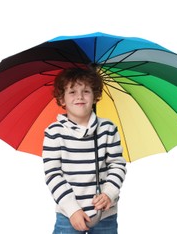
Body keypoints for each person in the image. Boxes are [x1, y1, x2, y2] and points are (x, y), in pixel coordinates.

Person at [42, 67, 126, 234]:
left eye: (86, 91)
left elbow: (117, 165)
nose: (80, 96)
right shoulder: (54, 132)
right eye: (72, 91)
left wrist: (109, 193)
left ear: (95, 96)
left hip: (105, 214)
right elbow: (53, 174)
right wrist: (72, 210)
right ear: (62, 98)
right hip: (68, 215)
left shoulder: (107, 128)